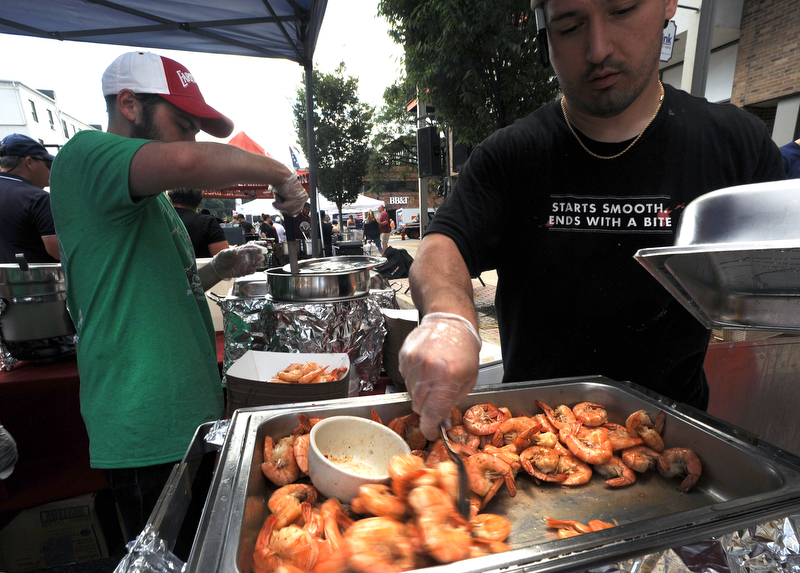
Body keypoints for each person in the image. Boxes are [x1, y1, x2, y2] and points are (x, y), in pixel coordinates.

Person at [398, 0, 787, 441]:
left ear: (666, 4)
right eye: (569, 26)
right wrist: (450, 319)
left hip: (677, 439)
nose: (598, 48)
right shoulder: (510, 155)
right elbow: (442, 244)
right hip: (532, 436)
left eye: (622, 10)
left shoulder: (736, 144)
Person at [48, 50, 307, 543]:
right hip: (147, 425)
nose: (190, 138)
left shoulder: (146, 200)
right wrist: (280, 173)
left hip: (188, 419)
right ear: (129, 104)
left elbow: (163, 289)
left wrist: (219, 268)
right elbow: (192, 158)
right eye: (182, 123)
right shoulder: (85, 156)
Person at [0, 134, 59, 263]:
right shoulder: (37, 198)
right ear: (30, 162)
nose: (50, 172)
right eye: (47, 164)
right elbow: (59, 251)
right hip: (31, 281)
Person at [167, 188, 229, 258]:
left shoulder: (161, 220)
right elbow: (224, 259)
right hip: (199, 268)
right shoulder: (207, 222)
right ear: (199, 202)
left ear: (170, 200)